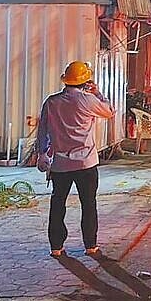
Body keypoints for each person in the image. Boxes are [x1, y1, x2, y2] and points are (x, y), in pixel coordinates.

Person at [37, 61, 115, 258]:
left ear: (66, 80)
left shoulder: (52, 102)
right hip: (86, 163)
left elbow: (43, 130)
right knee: (88, 204)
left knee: (58, 203)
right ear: (86, 81)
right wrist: (97, 93)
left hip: (61, 164)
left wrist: (42, 154)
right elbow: (110, 111)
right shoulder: (88, 100)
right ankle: (90, 246)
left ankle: (56, 247)